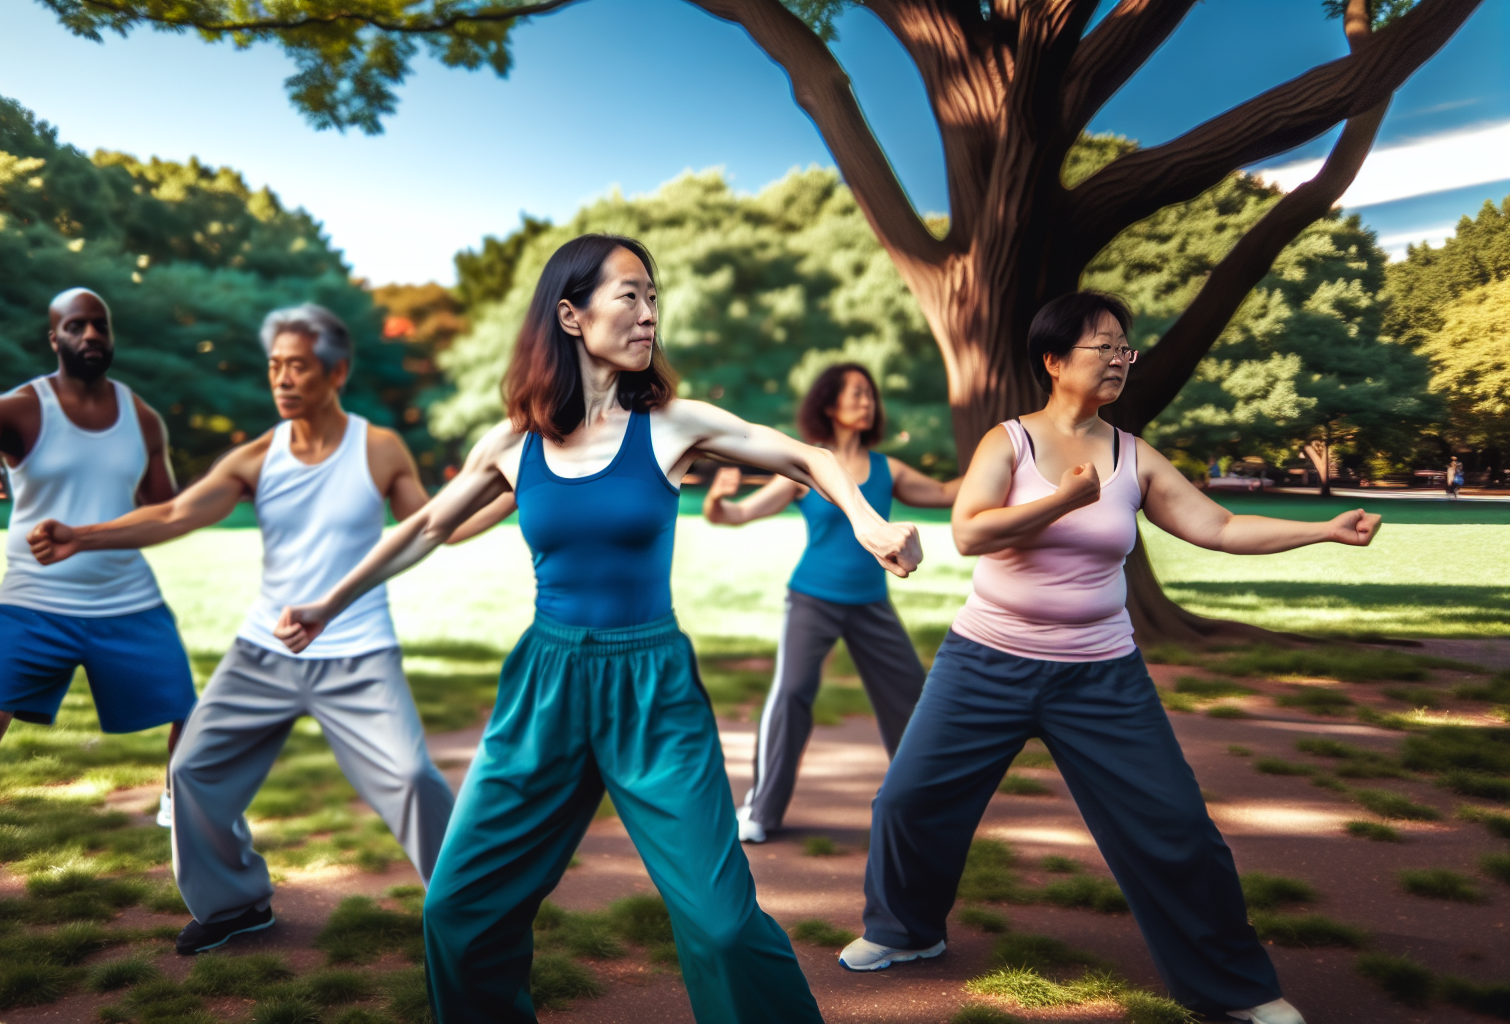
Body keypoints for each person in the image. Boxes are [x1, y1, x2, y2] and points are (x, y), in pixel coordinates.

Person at [273, 234, 921, 1024]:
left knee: (720, 925)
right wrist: (326, 604)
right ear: (572, 315)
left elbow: (809, 457)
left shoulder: (675, 425)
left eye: (655, 298)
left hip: (652, 688)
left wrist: (866, 521)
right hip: (545, 687)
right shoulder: (513, 443)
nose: (649, 314)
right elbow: (425, 528)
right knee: (456, 912)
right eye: (631, 296)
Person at [840, 292, 1381, 1024]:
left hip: (1101, 674)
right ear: (1055, 361)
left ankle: (1234, 988)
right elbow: (969, 533)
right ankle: (903, 933)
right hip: (985, 661)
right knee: (910, 801)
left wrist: (1321, 531)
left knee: (1177, 829)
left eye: (1127, 348)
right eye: (1105, 347)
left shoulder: (1133, 455)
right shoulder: (1010, 442)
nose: (1122, 359)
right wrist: (1059, 503)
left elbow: (1217, 526)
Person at [28, 304, 457, 955]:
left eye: (299, 367)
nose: (282, 380)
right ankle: (235, 904)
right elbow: (173, 513)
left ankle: (469, 906)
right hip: (265, 651)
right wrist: (81, 535)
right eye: (275, 367)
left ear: (336, 371)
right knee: (194, 769)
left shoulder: (379, 450)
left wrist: (504, 492)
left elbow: (425, 528)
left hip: (357, 653)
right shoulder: (258, 457)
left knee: (413, 778)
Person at [0, 288, 196, 942]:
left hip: (126, 601)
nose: (91, 334)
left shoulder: (141, 418)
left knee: (194, 720)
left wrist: (118, 528)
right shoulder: (19, 409)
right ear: (54, 339)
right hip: (33, 602)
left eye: (100, 324)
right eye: (75, 325)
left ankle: (186, 823)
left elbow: (165, 511)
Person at [703, 363, 957, 844]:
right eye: (856, 393)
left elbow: (945, 492)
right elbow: (736, 515)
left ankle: (924, 807)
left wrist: (1007, 468)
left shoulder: (888, 469)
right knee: (792, 692)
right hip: (812, 598)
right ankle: (761, 810)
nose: (868, 402)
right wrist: (717, 502)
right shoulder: (805, 470)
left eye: (870, 394)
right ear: (829, 404)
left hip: (870, 603)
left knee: (911, 698)